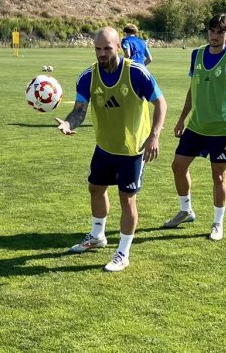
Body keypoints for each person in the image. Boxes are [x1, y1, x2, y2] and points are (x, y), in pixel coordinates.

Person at [54, 27, 167, 272]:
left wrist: (154, 136)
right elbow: (79, 111)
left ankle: (123, 252)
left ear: (119, 47)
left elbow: (161, 103)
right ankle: (97, 236)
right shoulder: (87, 77)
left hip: (132, 150)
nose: (102, 53)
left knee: (127, 198)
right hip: (105, 147)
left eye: (107, 48)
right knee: (95, 188)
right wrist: (67, 123)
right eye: (98, 49)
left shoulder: (136, 73)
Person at [164, 13, 226, 242]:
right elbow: (193, 89)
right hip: (196, 126)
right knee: (178, 166)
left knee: (219, 177)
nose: (214, 36)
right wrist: (182, 118)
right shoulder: (197, 54)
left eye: (220, 32)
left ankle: (217, 223)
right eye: (211, 31)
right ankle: (186, 211)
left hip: (221, 129)